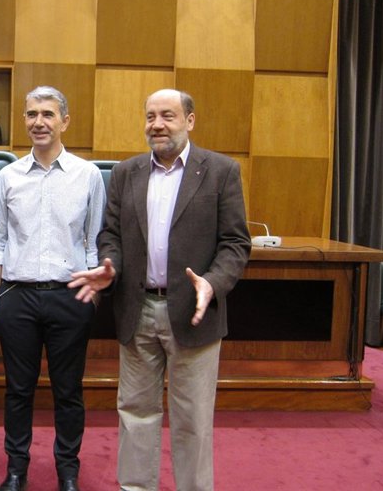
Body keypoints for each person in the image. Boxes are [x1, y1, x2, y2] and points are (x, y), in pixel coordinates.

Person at [70, 89, 251, 491]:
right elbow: (110, 234)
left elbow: (236, 243)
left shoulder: (220, 171)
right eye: (150, 116)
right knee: (135, 412)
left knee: (193, 419)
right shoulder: (126, 172)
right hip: (138, 310)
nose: (157, 124)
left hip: (194, 313)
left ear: (190, 121)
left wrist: (213, 283)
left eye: (168, 116)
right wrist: (110, 265)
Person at [0, 86, 105, 491]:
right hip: (16, 298)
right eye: (32, 114)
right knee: (18, 390)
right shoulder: (8, 176)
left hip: (71, 297)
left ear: (64, 121)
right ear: (24, 119)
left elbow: (94, 242)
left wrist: (91, 297)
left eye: (48, 114)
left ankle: (67, 471)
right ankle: (16, 470)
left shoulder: (88, 176)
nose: (39, 122)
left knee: (68, 391)